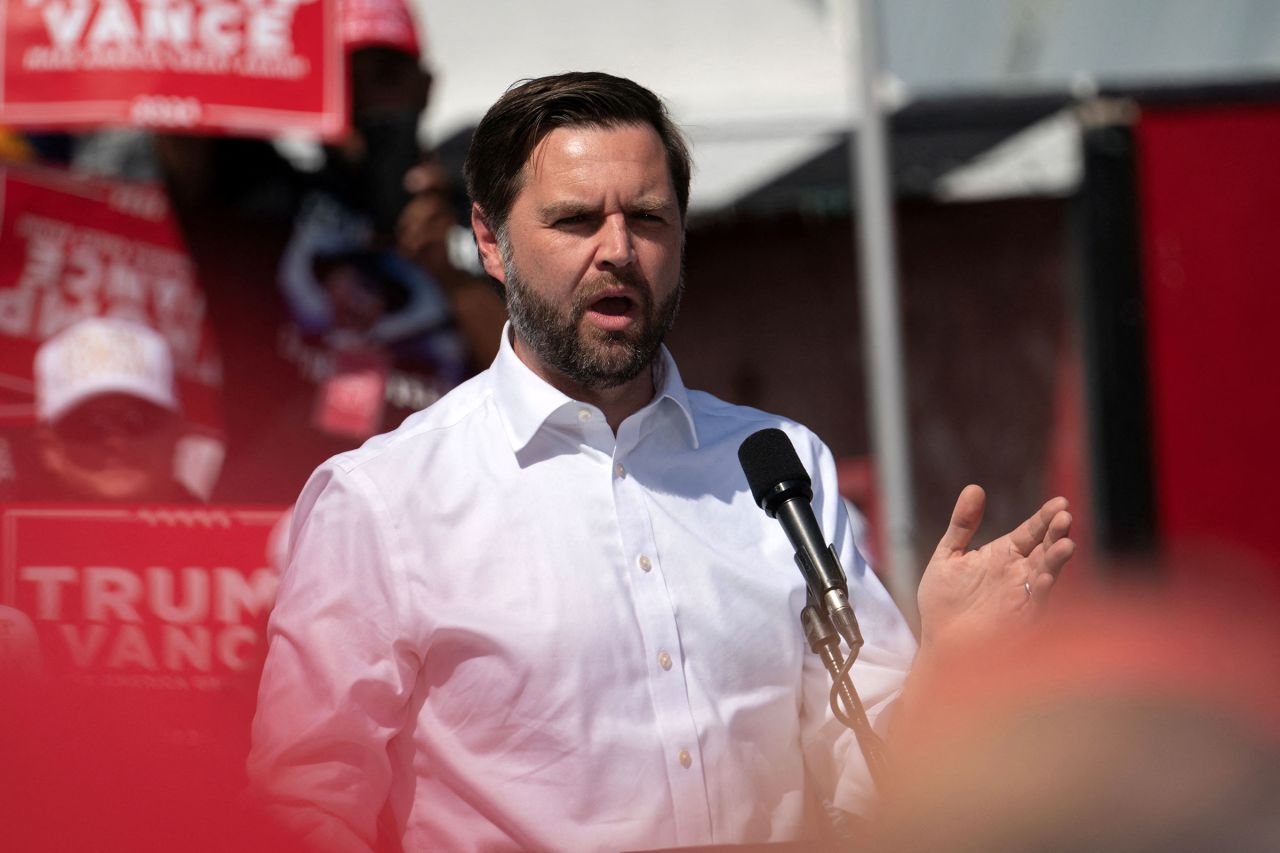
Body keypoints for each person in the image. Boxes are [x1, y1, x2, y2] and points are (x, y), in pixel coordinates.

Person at [248, 72, 1074, 852]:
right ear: (489, 243)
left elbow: (877, 774)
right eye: (575, 220)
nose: (618, 250)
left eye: (647, 218)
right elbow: (306, 803)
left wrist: (950, 665)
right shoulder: (383, 500)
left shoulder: (779, 466)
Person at [23, 316, 197, 503]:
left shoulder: (229, 530)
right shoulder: (10, 531)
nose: (117, 442)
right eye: (90, 427)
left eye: (138, 422)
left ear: (177, 434)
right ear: (49, 448)